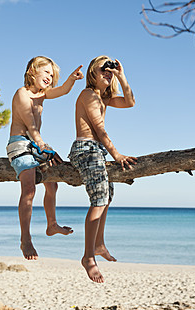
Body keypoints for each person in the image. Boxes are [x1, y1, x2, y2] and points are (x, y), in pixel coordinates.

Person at [6, 56, 83, 260]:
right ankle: (26, 239)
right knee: (29, 189)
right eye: (46, 72)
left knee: (52, 184)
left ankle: (51, 225)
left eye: (52, 74)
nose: (50, 76)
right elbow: (31, 128)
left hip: (35, 143)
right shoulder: (22, 94)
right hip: (20, 143)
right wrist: (45, 148)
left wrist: (72, 80)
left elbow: (63, 91)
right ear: (33, 70)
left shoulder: (41, 95)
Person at [68, 55, 137, 283]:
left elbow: (130, 102)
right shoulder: (88, 94)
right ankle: (88, 257)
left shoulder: (103, 98)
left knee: (107, 197)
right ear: (92, 73)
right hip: (85, 149)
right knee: (98, 199)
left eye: (111, 69)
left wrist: (121, 75)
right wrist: (117, 155)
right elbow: (98, 130)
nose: (108, 72)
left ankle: (99, 244)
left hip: (97, 151)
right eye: (103, 69)